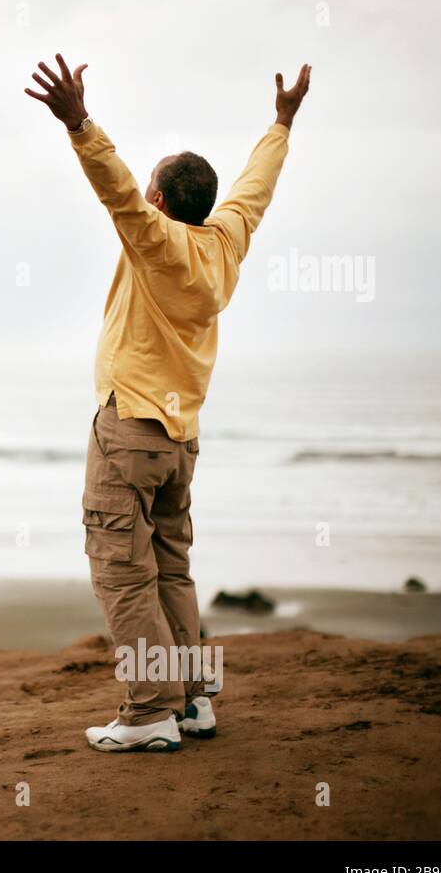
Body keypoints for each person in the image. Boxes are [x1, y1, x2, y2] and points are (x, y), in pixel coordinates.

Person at [24, 54, 311, 752]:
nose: (142, 196)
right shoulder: (224, 244)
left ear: (157, 202)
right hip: (180, 441)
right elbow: (254, 192)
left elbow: (114, 189)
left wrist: (78, 124)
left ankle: (150, 710)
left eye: (148, 189)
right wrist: (281, 124)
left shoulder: (154, 240)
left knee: (125, 576)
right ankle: (192, 704)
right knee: (173, 570)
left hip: (130, 432)